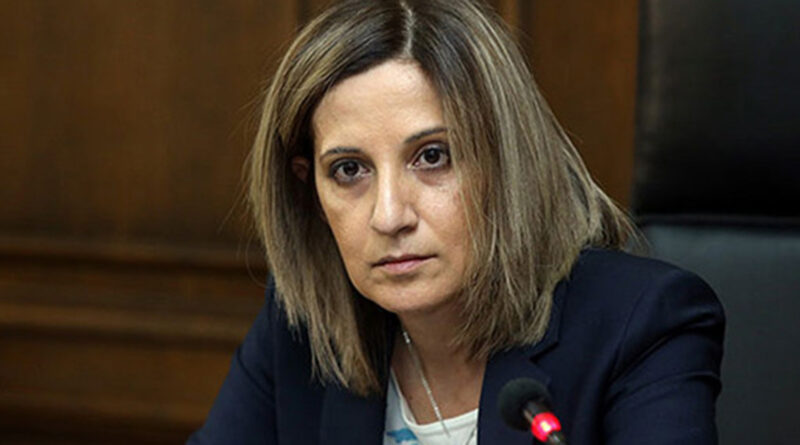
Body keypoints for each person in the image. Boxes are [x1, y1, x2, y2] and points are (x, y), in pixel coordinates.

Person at [188, 0, 725, 443]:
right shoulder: (303, 326)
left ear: (506, 165)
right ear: (310, 191)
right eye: (349, 170)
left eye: (433, 157)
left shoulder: (641, 325)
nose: (389, 215)